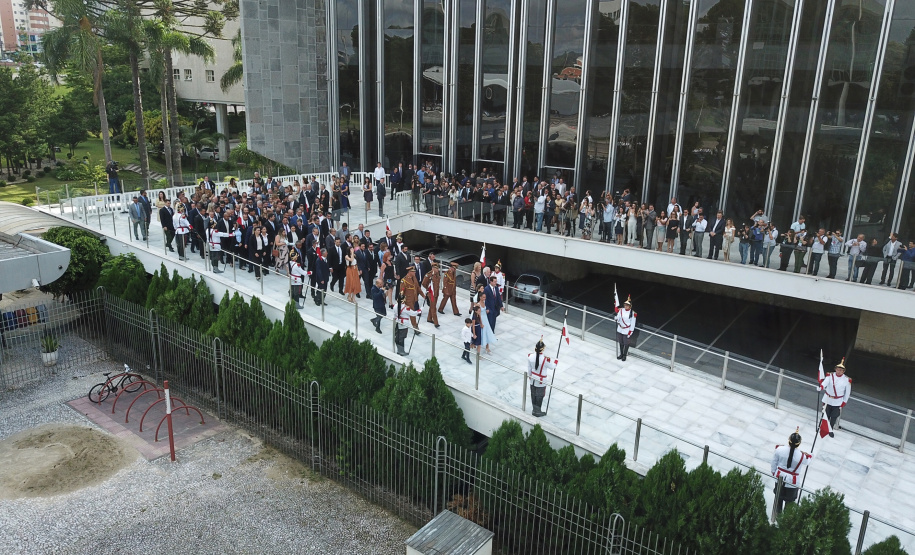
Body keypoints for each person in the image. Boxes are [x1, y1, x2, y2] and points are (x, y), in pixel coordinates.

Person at [771, 428, 813, 515]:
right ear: (799, 443)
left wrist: (774, 472)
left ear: (789, 440)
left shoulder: (779, 449)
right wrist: (809, 454)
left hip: (779, 477)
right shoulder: (802, 456)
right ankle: (785, 522)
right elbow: (808, 461)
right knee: (789, 504)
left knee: (778, 500)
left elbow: (773, 463)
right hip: (793, 482)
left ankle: (776, 517)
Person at [819, 358, 851, 437]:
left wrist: (844, 402)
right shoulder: (830, 376)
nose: (839, 371)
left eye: (841, 370)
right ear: (836, 369)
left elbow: (847, 393)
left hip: (837, 401)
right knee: (825, 415)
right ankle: (822, 428)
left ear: (843, 371)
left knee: (834, 416)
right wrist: (821, 386)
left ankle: (830, 430)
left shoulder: (846, 380)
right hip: (828, 399)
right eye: (838, 369)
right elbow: (825, 382)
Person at [528, 338, 557, 418]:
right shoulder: (545, 360)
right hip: (541, 381)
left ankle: (534, 409)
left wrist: (530, 377)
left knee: (533, 394)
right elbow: (552, 367)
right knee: (540, 395)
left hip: (533, 379)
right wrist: (556, 361)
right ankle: (537, 411)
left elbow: (529, 369)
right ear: (543, 349)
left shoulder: (530, 356)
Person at [401, 265, 424, 332]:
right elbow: (401, 292)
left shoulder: (414, 278)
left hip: (414, 299)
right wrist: (402, 301)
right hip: (408, 300)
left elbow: (418, 288)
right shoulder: (404, 280)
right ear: (409, 272)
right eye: (413, 272)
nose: (414, 273)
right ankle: (415, 327)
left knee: (408, 313)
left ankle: (402, 323)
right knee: (412, 313)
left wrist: (423, 295)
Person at [614, 295, 637, 361]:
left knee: (626, 343)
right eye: (625, 305)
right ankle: (621, 354)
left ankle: (624, 355)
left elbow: (633, 323)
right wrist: (616, 319)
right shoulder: (621, 310)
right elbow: (618, 317)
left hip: (627, 330)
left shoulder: (632, 313)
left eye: (627, 305)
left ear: (630, 306)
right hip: (620, 328)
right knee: (621, 342)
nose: (625, 306)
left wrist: (630, 332)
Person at [422, 261, 441, 328]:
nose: (438, 270)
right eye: (436, 268)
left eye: (438, 268)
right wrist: (428, 288)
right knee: (433, 308)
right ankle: (436, 323)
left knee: (433, 306)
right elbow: (424, 283)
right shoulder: (429, 274)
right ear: (433, 268)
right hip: (431, 293)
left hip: (436, 293)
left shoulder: (437, 274)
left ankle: (429, 318)